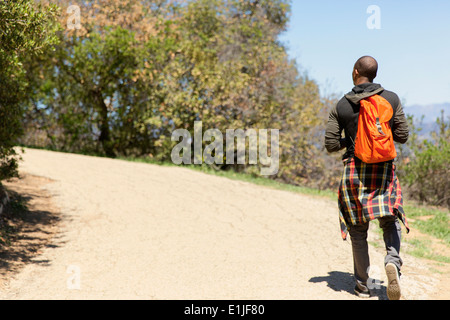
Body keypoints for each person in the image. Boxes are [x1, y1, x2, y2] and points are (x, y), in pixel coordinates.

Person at [325, 56, 410, 300]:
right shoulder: (391, 99)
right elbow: (402, 135)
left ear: (355, 72)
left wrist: (353, 141)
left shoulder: (341, 105)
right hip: (383, 168)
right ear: (374, 74)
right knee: (389, 218)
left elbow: (330, 144)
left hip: (355, 169)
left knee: (358, 229)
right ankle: (392, 260)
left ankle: (362, 284)